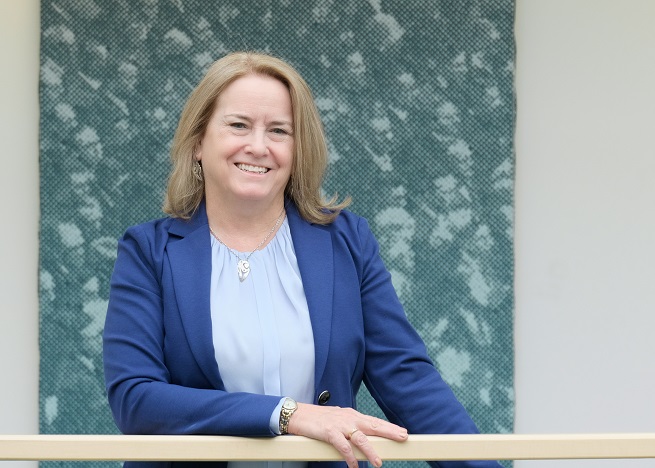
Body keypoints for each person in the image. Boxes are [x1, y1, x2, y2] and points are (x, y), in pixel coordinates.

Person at [103, 51, 501, 468]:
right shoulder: (148, 251)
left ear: (297, 149)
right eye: (239, 125)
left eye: (279, 131)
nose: (258, 146)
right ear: (199, 141)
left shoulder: (347, 241)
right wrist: (288, 415)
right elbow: (136, 398)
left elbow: (408, 380)